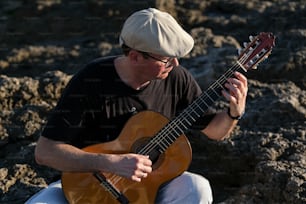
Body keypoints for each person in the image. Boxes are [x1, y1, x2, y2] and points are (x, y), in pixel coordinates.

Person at [26, 8, 247, 204]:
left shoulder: (177, 79)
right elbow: (45, 152)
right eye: (166, 59)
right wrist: (110, 162)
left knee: (196, 188)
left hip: (145, 192)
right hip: (83, 187)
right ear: (135, 56)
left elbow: (215, 131)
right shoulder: (91, 81)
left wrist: (233, 112)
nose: (175, 64)